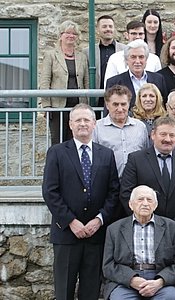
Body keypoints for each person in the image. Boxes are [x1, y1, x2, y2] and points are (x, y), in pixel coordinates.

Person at [42, 103, 120, 300]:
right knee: (64, 291)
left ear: (94, 124)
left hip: (96, 235)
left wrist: (99, 220)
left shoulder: (106, 154)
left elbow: (113, 191)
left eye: (87, 120)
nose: (83, 124)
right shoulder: (57, 152)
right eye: (78, 120)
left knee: (91, 291)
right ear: (70, 124)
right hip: (66, 234)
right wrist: (71, 221)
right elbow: (50, 191)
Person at [120, 116, 175, 246]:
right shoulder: (136, 160)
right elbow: (126, 193)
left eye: (172, 135)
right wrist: (145, 220)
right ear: (153, 135)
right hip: (143, 231)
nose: (167, 139)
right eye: (163, 134)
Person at [103, 185, 175, 300]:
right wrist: (131, 280)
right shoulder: (114, 229)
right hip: (126, 281)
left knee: (170, 297)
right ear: (131, 204)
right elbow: (108, 266)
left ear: (155, 205)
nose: (145, 203)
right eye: (140, 199)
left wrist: (159, 282)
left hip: (160, 279)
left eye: (149, 200)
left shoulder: (172, 228)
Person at [40, 20, 89, 145]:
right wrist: (46, 106)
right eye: (68, 33)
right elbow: (45, 81)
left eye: (74, 33)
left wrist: (87, 105)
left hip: (78, 107)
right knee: (58, 142)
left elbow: (86, 81)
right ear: (61, 35)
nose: (71, 36)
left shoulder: (82, 56)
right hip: (57, 107)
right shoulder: (51, 55)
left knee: (76, 142)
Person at [93, 85, 149, 177]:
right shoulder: (97, 128)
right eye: (115, 104)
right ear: (107, 105)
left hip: (135, 181)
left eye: (123, 104)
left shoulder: (140, 127)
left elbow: (146, 155)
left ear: (129, 104)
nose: (120, 109)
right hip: (107, 182)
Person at [105, 39, 167, 110]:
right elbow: (108, 110)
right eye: (133, 57)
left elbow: (163, 107)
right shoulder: (114, 82)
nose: (137, 61)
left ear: (146, 60)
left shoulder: (158, 79)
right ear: (126, 60)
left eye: (141, 57)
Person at [82, 15, 126, 113]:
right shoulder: (88, 52)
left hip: (118, 99)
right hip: (96, 99)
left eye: (110, 26)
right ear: (98, 29)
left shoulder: (124, 50)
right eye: (104, 26)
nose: (108, 29)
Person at [104, 21, 162, 85]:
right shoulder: (115, 58)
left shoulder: (155, 59)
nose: (137, 37)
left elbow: (158, 84)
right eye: (133, 33)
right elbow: (110, 84)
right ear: (126, 35)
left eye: (140, 34)